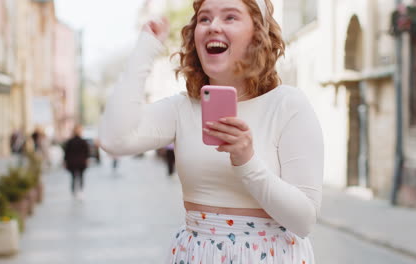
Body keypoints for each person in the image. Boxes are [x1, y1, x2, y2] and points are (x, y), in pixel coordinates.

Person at [99, 0, 324, 262]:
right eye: (204, 19)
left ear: (258, 35)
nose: (213, 26)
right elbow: (113, 139)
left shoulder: (288, 105)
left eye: (230, 17)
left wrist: (248, 162)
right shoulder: (181, 108)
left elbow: (304, 221)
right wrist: (145, 49)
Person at [64, 124, 90, 198]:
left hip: (72, 162)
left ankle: (74, 191)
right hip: (80, 162)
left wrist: (65, 161)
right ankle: (80, 190)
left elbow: (66, 152)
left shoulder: (70, 141)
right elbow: (86, 153)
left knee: (73, 177)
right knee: (80, 176)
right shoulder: (83, 141)